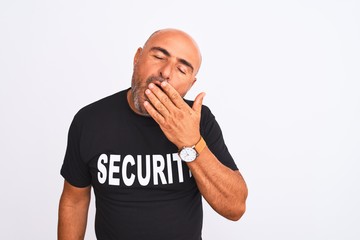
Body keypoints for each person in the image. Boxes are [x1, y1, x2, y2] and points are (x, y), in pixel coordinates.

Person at [58, 28, 248, 240]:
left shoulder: (200, 120)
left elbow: (235, 207)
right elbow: (74, 200)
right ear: (137, 57)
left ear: (191, 84)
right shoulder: (90, 120)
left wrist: (191, 143)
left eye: (182, 70)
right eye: (158, 57)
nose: (166, 72)